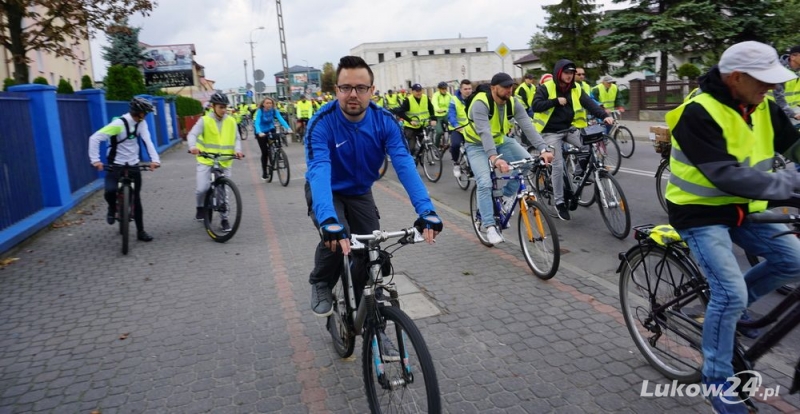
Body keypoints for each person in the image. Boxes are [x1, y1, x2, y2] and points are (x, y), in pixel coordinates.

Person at [665, 41, 800, 413]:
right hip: (700, 212)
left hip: (745, 209)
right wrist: (791, 187)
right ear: (736, 77)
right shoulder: (698, 112)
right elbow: (725, 175)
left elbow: (796, 147)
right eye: (763, 80)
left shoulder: (763, 106)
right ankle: (717, 381)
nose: (770, 88)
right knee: (730, 293)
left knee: (793, 262)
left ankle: (728, 313)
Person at [305, 56, 443, 358]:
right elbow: (318, 169)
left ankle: (373, 324)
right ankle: (321, 282)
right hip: (326, 188)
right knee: (335, 237)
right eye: (345, 87)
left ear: (372, 90)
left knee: (371, 252)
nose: (353, 94)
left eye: (360, 88)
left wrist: (426, 210)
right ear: (336, 90)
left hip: (360, 191)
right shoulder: (322, 122)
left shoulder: (384, 122)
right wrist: (327, 218)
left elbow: (404, 164)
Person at [464, 73, 554, 245]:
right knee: (484, 182)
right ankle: (489, 226)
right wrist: (494, 158)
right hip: (476, 145)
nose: (509, 90)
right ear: (493, 88)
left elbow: (527, 125)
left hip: (500, 140)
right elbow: (484, 131)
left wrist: (543, 148)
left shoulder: (513, 102)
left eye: (510, 86)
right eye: (505, 87)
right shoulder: (480, 103)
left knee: (527, 162)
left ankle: (506, 197)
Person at [531, 59, 613, 221]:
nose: (569, 76)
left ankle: (577, 175)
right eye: (567, 73)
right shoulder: (546, 87)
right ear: (559, 73)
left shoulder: (575, 89)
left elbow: (590, 104)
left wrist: (605, 116)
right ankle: (559, 202)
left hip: (568, 128)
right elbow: (536, 106)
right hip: (550, 132)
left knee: (586, 146)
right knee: (558, 164)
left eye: (572, 73)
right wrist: (555, 102)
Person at [88, 97, 161, 241]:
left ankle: (141, 231)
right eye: (145, 113)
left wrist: (155, 160)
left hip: (133, 163)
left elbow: (147, 141)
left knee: (136, 199)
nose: (145, 115)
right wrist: (95, 160)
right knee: (109, 191)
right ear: (138, 112)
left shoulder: (141, 124)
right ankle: (112, 208)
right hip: (115, 163)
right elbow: (95, 138)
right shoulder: (118, 124)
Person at [187, 92, 244, 231]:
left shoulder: (231, 121)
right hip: (206, 159)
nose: (223, 110)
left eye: (225, 107)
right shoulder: (204, 120)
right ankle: (200, 206)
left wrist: (237, 150)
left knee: (223, 191)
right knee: (202, 188)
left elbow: (236, 138)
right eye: (220, 107)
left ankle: (224, 219)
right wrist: (193, 147)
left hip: (224, 160)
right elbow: (192, 134)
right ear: (213, 106)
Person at [392, 83, 437, 156]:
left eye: (420, 91)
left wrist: (433, 119)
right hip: (411, 127)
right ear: (412, 92)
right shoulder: (408, 100)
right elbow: (400, 112)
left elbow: (431, 108)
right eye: (417, 91)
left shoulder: (425, 98)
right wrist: (410, 121)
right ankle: (411, 158)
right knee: (411, 147)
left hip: (422, 125)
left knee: (424, 142)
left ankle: (421, 156)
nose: (419, 93)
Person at [254, 96, 292, 180]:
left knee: (277, 137)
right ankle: (264, 172)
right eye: (267, 103)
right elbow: (257, 123)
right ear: (263, 104)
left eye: (270, 103)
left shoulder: (274, 111)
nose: (269, 104)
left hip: (271, 129)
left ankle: (278, 153)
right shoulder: (260, 111)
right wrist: (259, 132)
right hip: (261, 131)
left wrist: (288, 128)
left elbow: (281, 119)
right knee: (265, 152)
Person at [447, 79, 473, 178]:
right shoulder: (454, 99)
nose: (468, 91)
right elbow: (451, 114)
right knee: (456, 144)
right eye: (465, 89)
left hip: (470, 129)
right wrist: (456, 125)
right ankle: (456, 163)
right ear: (461, 90)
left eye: (470, 89)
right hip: (457, 128)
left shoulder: (474, 98)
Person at [773, 45, 800, 121]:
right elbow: (778, 97)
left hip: (793, 113)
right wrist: (792, 114)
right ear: (793, 57)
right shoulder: (779, 71)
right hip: (773, 112)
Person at [432, 81, 451, 149]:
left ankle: (451, 141)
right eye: (443, 89)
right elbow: (434, 104)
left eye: (445, 88)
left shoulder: (448, 95)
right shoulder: (436, 95)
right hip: (438, 116)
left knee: (453, 126)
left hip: (446, 114)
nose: (444, 90)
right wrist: (438, 109)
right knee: (439, 132)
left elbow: (453, 102)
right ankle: (436, 147)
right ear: (439, 89)